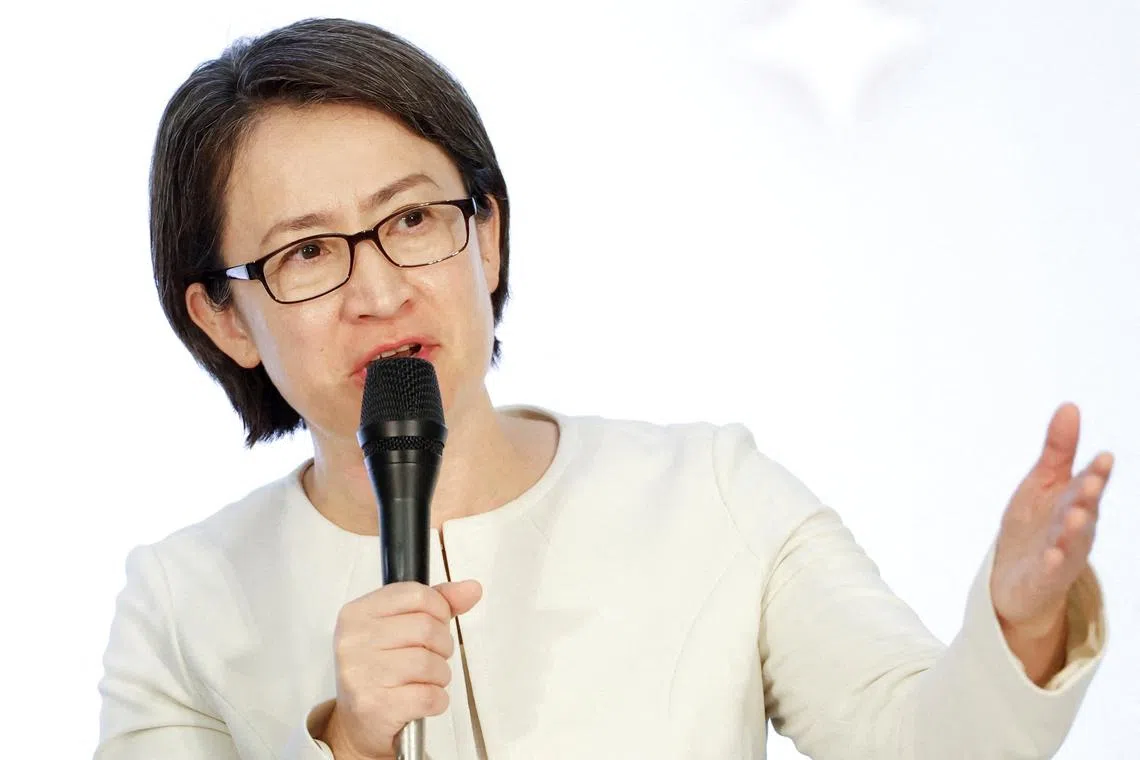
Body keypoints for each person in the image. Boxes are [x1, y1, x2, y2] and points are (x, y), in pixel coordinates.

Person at [95, 16, 1111, 760]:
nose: (379, 288)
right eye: (308, 251)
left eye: (412, 220)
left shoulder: (711, 490)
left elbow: (927, 746)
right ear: (224, 317)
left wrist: (1018, 625)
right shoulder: (184, 601)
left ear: (486, 235)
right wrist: (352, 743)